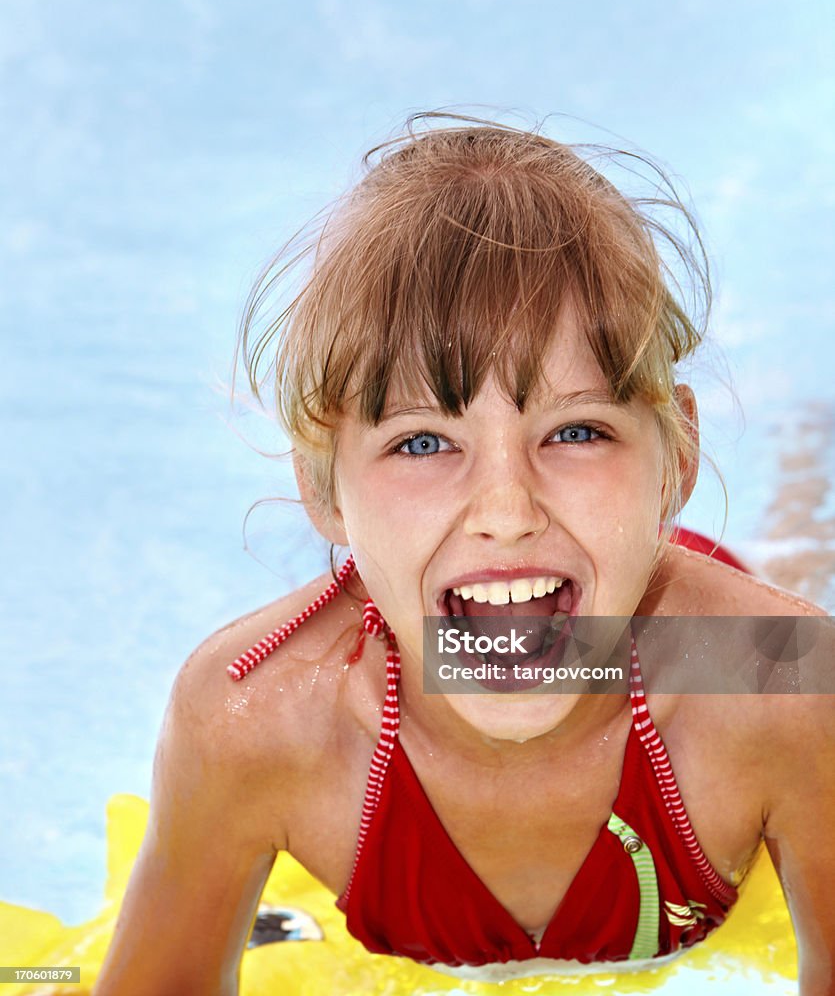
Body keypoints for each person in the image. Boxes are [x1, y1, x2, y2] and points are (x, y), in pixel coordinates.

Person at [93, 116, 835, 995]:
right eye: (421, 443)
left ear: (676, 456)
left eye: (576, 430)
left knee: (790, 595)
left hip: (685, 620)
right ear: (326, 487)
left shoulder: (784, 698)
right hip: (580, 581)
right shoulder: (260, 721)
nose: (506, 511)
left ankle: (805, 451)